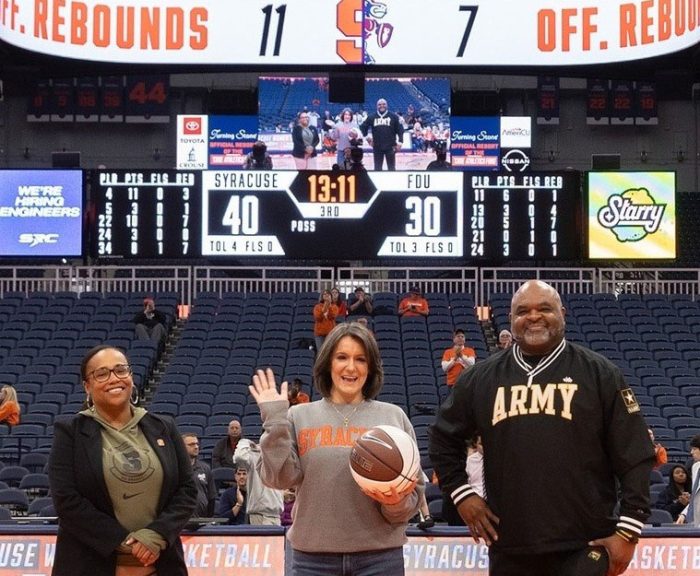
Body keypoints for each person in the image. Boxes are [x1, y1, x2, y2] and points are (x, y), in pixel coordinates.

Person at [429, 280, 655, 576]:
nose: (533, 316)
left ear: (562, 313)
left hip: (585, 545)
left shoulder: (599, 372)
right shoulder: (482, 378)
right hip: (510, 546)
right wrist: (463, 494)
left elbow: (635, 453)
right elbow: (442, 438)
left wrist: (628, 531)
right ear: (511, 320)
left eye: (544, 308)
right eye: (523, 311)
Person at [248, 322, 423, 575]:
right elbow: (278, 479)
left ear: (371, 367)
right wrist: (275, 421)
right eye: (342, 357)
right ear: (328, 363)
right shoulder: (299, 415)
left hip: (380, 558)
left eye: (361, 359)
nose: (351, 367)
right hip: (312, 560)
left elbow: (412, 500)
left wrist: (396, 503)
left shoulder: (393, 417)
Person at [48, 344, 197, 576]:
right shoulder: (70, 432)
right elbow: (66, 501)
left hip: (163, 567)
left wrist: (155, 535)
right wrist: (124, 542)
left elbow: (187, 491)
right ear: (87, 386)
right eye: (101, 373)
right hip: (87, 566)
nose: (114, 378)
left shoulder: (164, 427)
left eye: (120, 370)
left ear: (131, 377)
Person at [233, 438, 284, 525]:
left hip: (276, 515)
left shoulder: (280, 456)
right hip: (260, 515)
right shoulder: (254, 456)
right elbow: (239, 457)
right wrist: (246, 442)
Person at [359, 98, 404, 171]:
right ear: (377, 106)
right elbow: (363, 127)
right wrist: (367, 138)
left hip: (391, 146)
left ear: (387, 105)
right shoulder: (372, 117)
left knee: (392, 168)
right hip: (377, 147)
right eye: (379, 104)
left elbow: (400, 130)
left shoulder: (394, 116)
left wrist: (400, 142)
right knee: (377, 168)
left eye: (384, 104)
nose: (382, 106)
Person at [182, 433, 216, 518]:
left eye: (197, 444)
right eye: (191, 444)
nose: (196, 447)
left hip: (202, 521)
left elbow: (211, 497)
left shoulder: (205, 468)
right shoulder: (175, 468)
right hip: (179, 521)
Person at [676, 434, 700, 526]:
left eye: (694, 449)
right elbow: (695, 496)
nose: (691, 452)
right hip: (696, 521)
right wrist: (684, 514)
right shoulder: (695, 467)